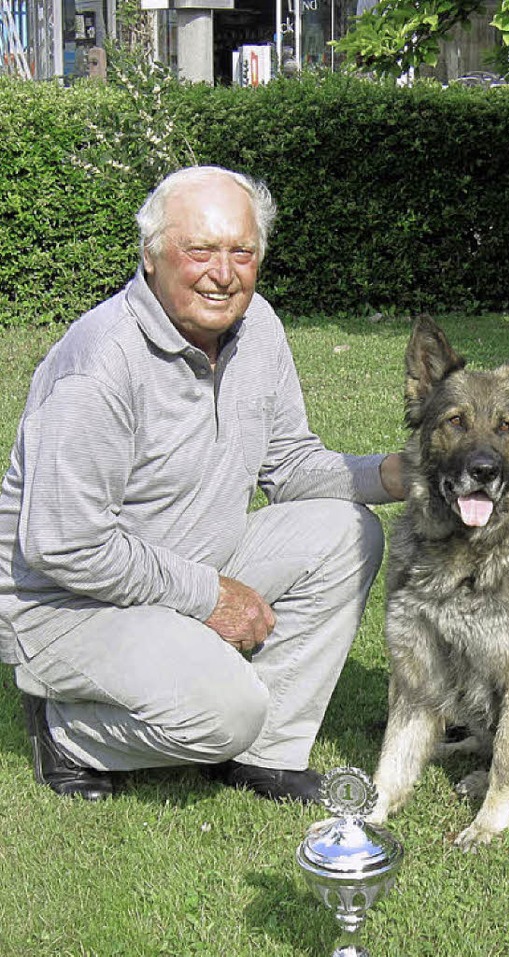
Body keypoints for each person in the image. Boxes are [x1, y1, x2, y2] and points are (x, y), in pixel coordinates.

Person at [0, 165, 403, 804]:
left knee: (346, 530)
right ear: (152, 256)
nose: (224, 272)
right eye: (201, 251)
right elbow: (64, 546)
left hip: (182, 565)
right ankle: (67, 731)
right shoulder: (99, 368)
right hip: (67, 604)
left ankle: (265, 755)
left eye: (242, 252)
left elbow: (292, 464)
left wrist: (391, 473)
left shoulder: (258, 327)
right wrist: (209, 595)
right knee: (228, 712)